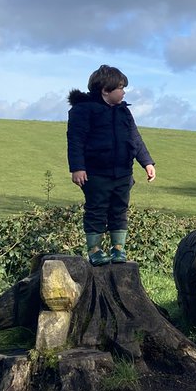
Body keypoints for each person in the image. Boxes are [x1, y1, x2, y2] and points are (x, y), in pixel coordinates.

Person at [66, 64, 156, 265]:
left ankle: (118, 249)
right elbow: (75, 139)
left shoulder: (124, 112)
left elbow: (135, 138)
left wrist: (147, 163)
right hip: (96, 174)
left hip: (123, 173)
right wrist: (77, 168)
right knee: (96, 210)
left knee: (119, 210)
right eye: (121, 87)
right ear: (106, 90)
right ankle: (95, 250)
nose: (124, 92)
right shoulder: (83, 110)